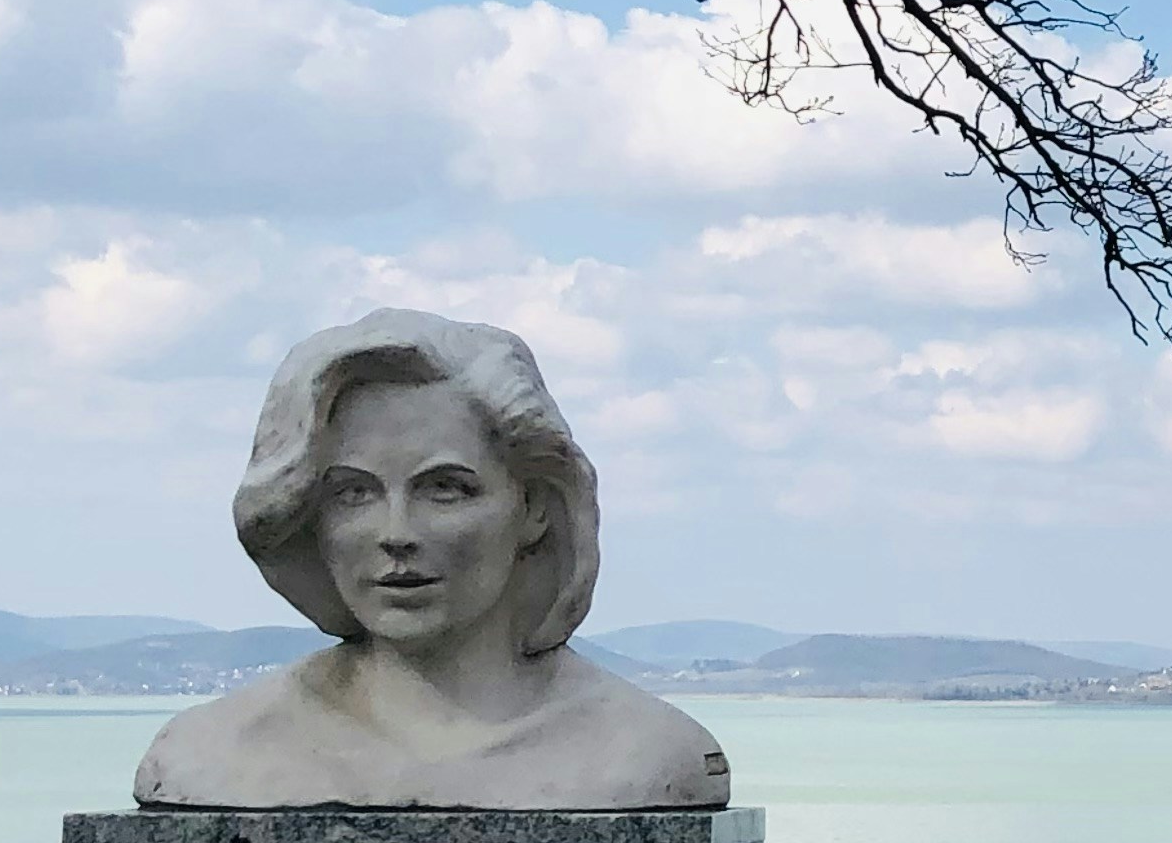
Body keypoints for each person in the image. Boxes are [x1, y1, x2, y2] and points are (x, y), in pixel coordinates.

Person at [135, 311, 731, 809]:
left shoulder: (646, 753)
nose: (396, 534)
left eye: (445, 488)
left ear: (535, 509)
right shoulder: (216, 750)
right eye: (353, 493)